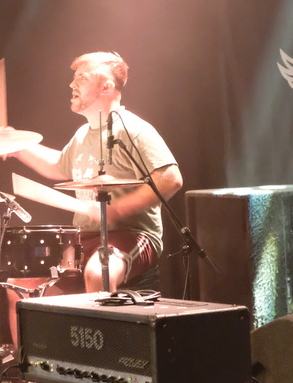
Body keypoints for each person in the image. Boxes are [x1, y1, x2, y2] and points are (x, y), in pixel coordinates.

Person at [10, 51, 183, 293]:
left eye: (82, 78)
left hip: (132, 235)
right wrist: (16, 147)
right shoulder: (83, 133)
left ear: (106, 87)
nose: (72, 84)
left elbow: (170, 179)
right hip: (84, 237)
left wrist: (118, 209)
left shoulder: (133, 129)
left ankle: (104, 320)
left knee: (98, 272)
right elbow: (59, 165)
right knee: (21, 282)